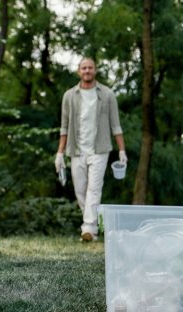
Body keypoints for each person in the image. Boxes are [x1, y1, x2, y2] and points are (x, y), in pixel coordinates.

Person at [54, 57, 127, 242]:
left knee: (94, 189)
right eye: (84, 68)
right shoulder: (69, 96)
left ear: (95, 70)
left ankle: (88, 229)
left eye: (90, 68)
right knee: (80, 190)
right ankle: (94, 221)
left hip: (100, 149)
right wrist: (60, 154)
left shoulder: (108, 94)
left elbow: (116, 125)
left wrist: (121, 151)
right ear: (79, 71)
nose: (87, 71)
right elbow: (64, 127)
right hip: (76, 150)